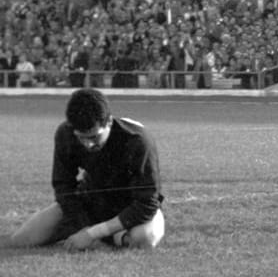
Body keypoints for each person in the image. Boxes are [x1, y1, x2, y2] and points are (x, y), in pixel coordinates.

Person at [9, 87, 166, 250]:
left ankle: (112, 235)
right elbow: (63, 187)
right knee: (22, 240)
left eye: (94, 137)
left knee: (145, 239)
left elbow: (146, 203)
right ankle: (114, 237)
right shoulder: (65, 133)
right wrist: (82, 225)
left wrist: (93, 234)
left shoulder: (138, 140)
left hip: (130, 206)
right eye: (81, 138)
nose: (88, 144)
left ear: (109, 122)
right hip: (91, 202)